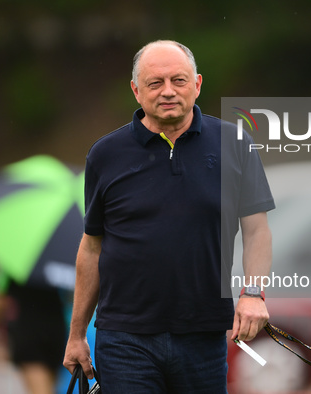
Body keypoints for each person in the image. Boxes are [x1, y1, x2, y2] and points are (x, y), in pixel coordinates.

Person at [63, 39, 275, 393]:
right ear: (135, 90)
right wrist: (76, 334)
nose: (168, 92)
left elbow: (257, 231)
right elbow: (92, 247)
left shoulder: (236, 144)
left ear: (197, 84)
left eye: (178, 80)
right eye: (155, 83)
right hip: (124, 339)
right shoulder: (105, 155)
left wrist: (253, 293)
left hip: (203, 336)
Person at [0, 270, 67, 394]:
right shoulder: (55, 265)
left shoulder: (15, 266)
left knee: (41, 389)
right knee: (48, 387)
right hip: (57, 330)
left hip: (29, 332)